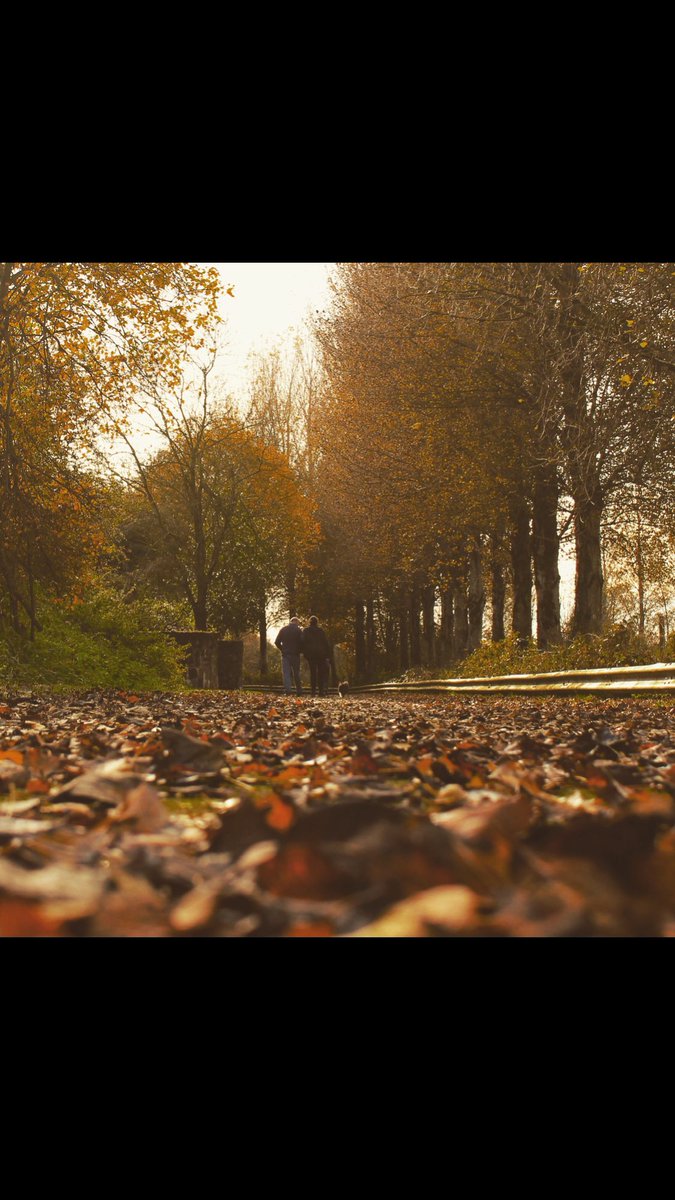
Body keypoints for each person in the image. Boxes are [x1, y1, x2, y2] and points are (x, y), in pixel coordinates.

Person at [300, 616, 332, 697]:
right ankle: (321, 692)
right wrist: (328, 655)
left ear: (309, 622)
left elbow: (302, 642)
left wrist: (304, 653)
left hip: (311, 655)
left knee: (313, 673)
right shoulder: (321, 631)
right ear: (317, 622)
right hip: (321, 654)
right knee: (320, 673)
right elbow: (326, 643)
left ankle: (313, 692)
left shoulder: (306, 631)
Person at [275, 616, 303, 695]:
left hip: (285, 655)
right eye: (298, 623)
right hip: (295, 655)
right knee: (296, 673)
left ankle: (288, 690)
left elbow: (277, 642)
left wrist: (282, 649)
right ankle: (299, 691)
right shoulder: (298, 630)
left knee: (286, 673)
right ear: (296, 622)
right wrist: (299, 651)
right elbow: (302, 642)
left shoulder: (283, 629)